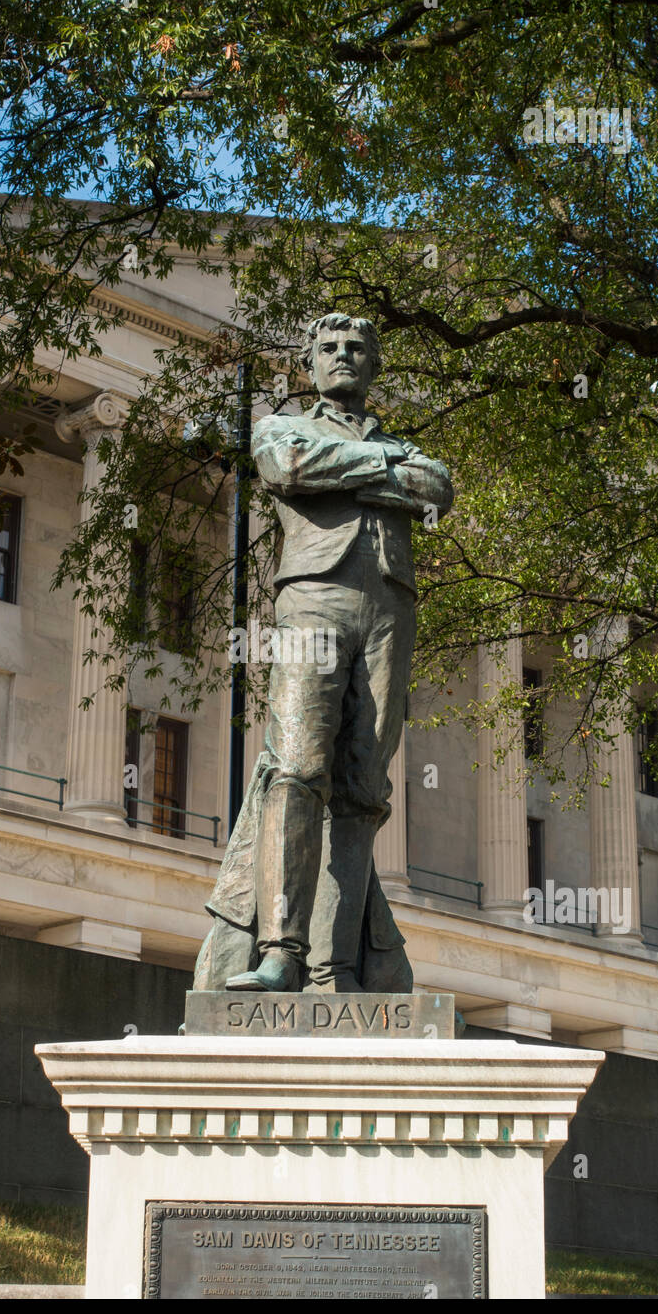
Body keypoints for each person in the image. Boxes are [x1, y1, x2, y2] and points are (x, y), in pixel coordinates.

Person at [195, 312, 453, 994]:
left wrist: (353, 472)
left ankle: (336, 968)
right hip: (311, 601)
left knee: (365, 788)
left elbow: (437, 489)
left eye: (357, 348)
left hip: (390, 609)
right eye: (330, 348)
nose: (343, 356)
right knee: (297, 768)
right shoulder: (283, 427)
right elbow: (287, 468)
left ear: (374, 364)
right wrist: (384, 468)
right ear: (309, 364)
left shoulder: (411, 449)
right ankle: (282, 951)